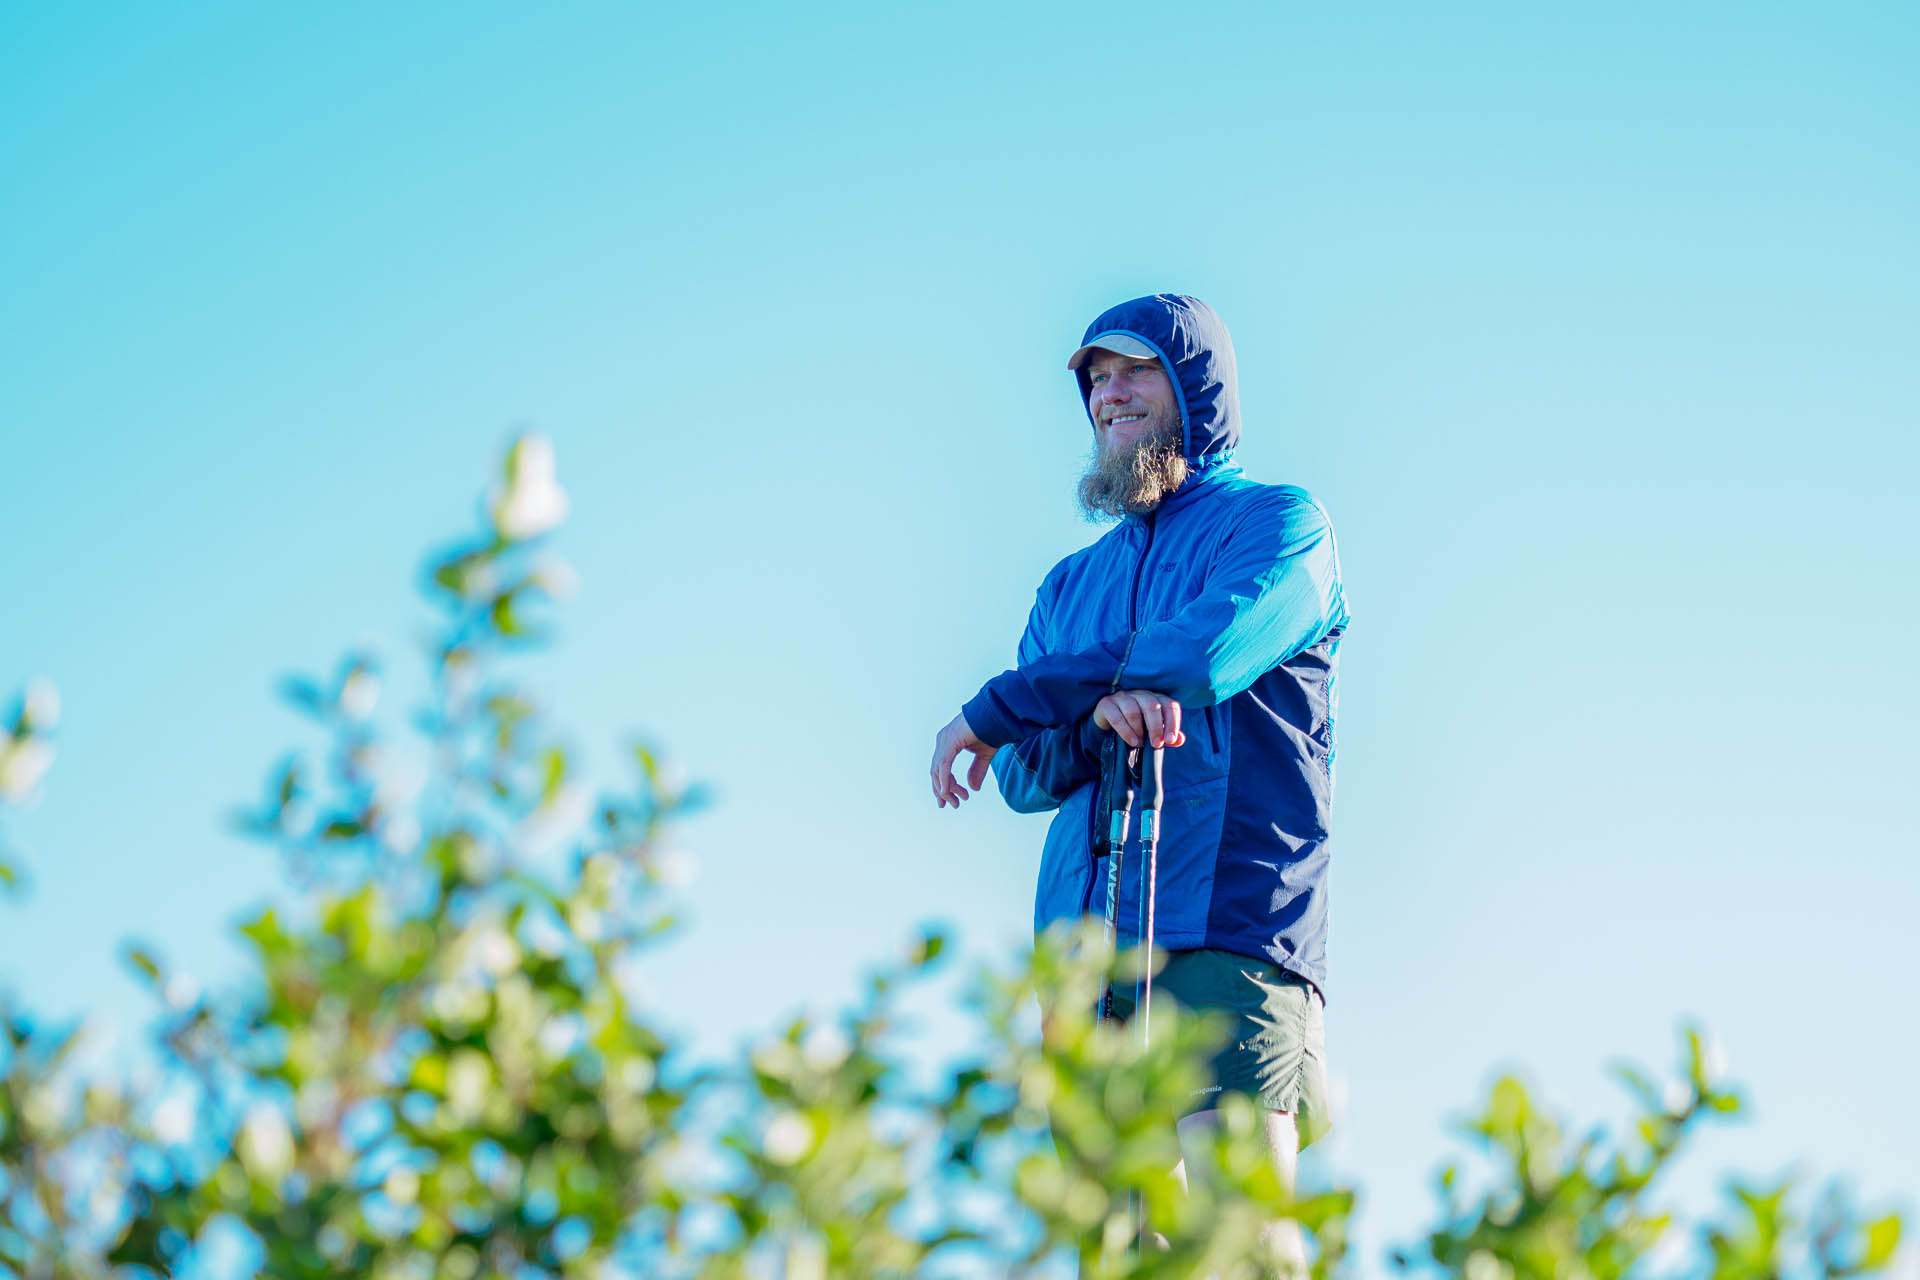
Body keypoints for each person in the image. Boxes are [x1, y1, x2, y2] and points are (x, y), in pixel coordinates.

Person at [928, 293, 1348, 1268]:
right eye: (1094, 378)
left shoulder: (1282, 526)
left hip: (1230, 927)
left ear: (1198, 386)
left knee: (1239, 1237)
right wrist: (1086, 709)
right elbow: (1026, 774)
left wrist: (1017, 697)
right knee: (1111, 1248)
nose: (1109, 393)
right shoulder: (1067, 586)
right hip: (1085, 962)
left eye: (1136, 369)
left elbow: (1202, 653)